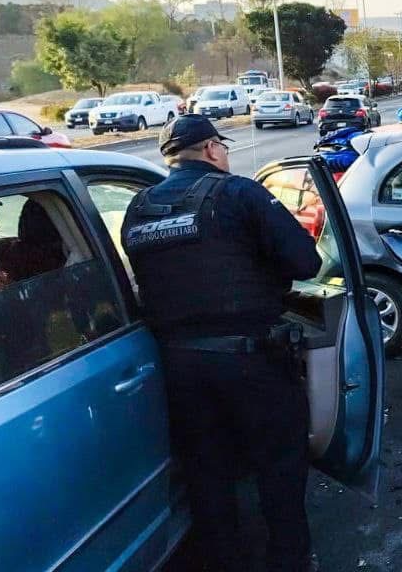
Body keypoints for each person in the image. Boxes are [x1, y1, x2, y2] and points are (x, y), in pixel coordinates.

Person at [120, 114, 322, 572]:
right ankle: (289, 561)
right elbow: (306, 262)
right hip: (252, 362)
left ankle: (224, 560)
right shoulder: (239, 193)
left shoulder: (139, 207)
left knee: (206, 473)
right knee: (279, 465)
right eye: (223, 148)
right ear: (212, 149)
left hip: (177, 366)